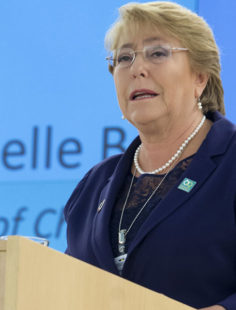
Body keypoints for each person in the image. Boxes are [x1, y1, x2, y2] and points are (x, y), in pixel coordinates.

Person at [64, 2, 235, 310]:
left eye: (157, 53)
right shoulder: (93, 185)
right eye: (124, 58)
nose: (136, 69)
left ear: (200, 77)